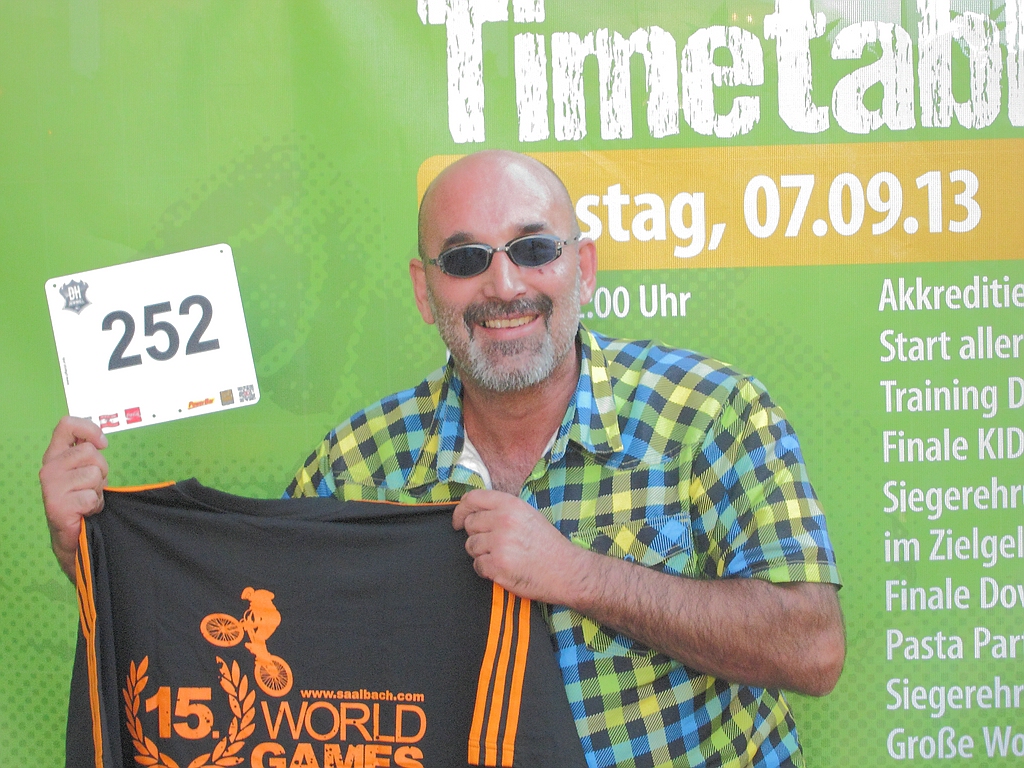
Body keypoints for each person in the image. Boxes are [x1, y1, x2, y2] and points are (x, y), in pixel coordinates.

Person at [42, 150, 844, 767]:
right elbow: (257, 653)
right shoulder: (354, 466)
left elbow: (812, 649)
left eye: (533, 248)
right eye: (464, 260)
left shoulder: (712, 415)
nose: (504, 283)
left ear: (584, 269)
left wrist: (576, 575)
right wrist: (94, 553)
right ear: (426, 292)